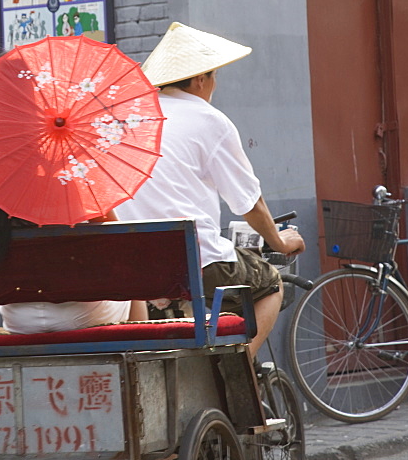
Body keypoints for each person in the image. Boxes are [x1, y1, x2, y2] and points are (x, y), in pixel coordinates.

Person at [116, 21, 305, 358]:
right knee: (269, 284)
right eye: (214, 77)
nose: (214, 85)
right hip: (195, 264)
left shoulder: (126, 119)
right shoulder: (209, 119)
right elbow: (249, 202)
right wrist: (280, 240)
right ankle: (242, 370)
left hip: (135, 271)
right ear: (200, 79)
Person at [0, 177, 148, 333]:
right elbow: (118, 242)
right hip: (83, 317)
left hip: (20, 320)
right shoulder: (75, 174)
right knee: (134, 279)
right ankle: (139, 352)